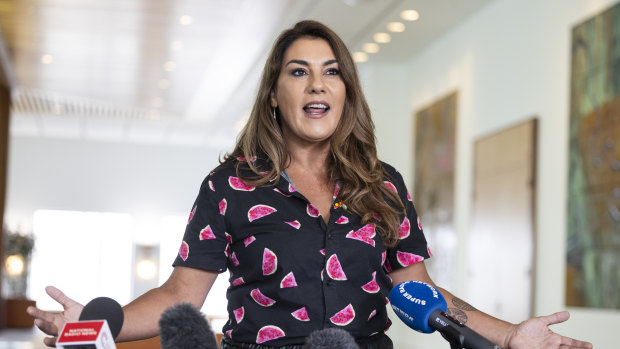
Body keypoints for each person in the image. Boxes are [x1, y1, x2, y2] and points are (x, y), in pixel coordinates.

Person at [27, 20, 592, 349]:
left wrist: (512, 335)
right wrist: (97, 321)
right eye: (298, 71)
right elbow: (180, 297)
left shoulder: (384, 185)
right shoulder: (229, 186)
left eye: (331, 71)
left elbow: (422, 293)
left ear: (345, 92)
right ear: (275, 93)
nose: (316, 83)